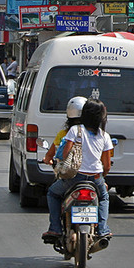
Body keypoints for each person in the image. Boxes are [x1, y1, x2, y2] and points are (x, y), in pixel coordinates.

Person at [43, 99, 113, 247]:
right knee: (104, 198)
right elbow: (106, 165)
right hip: (95, 178)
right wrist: (102, 178)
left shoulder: (75, 130)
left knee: (52, 193)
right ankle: (102, 229)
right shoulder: (104, 136)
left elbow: (64, 155)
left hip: (74, 177)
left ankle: (55, 228)